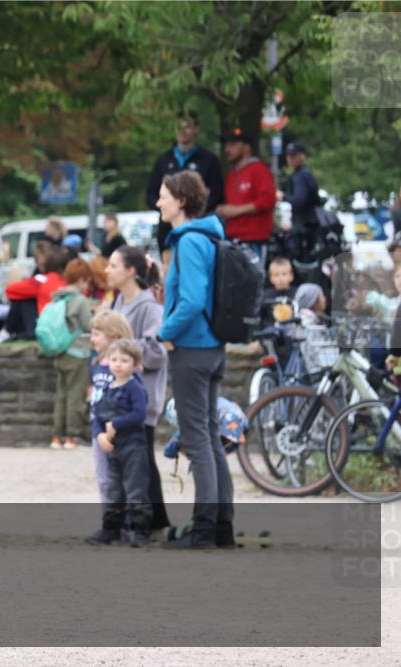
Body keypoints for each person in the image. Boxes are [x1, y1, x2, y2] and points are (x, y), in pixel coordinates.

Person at [156, 170, 234, 550]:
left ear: (181, 200)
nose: (158, 203)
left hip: (191, 349)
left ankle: (203, 531)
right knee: (211, 437)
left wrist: (164, 333)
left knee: (197, 439)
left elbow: (190, 301)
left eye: (163, 196)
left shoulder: (188, 241)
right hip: (214, 347)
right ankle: (222, 528)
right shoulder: (210, 235)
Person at [105, 246, 170, 533]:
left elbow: (158, 350)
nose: (107, 270)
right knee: (132, 463)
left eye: (113, 265)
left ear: (130, 271)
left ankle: (150, 522)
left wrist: (124, 351)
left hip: (140, 398)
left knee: (141, 464)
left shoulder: (148, 307)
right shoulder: (118, 304)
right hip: (120, 396)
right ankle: (151, 521)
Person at [85, 339, 153, 548]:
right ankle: (111, 529)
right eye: (114, 359)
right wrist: (100, 436)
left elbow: (139, 413)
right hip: (112, 447)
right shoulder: (106, 387)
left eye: (124, 360)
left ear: (135, 364)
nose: (118, 364)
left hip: (133, 446)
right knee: (114, 489)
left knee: (135, 489)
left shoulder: (134, 387)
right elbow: (97, 416)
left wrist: (116, 423)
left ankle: (140, 531)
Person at [146, 112, 224, 265]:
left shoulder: (209, 160)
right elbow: (151, 195)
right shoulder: (163, 160)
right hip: (168, 230)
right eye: (178, 127)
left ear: (196, 129)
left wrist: (190, 211)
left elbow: (217, 194)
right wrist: (170, 210)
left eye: (187, 126)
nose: (182, 131)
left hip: (197, 225)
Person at [88, 310, 134, 502]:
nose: (92, 339)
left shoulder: (122, 368)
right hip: (98, 432)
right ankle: (110, 525)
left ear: (114, 337)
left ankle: (123, 526)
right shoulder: (96, 364)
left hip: (118, 432)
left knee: (121, 481)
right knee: (104, 480)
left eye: (97, 334)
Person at [216, 128, 277, 264]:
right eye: (226, 145)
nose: (227, 149)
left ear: (246, 147)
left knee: (254, 280)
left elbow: (268, 200)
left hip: (254, 240)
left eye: (232, 144)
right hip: (232, 240)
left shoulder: (259, 170)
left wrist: (236, 210)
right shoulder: (231, 175)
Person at [50, 259, 93, 450]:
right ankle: (72, 437)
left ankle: (57, 437)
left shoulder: (57, 297)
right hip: (77, 352)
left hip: (59, 350)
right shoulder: (80, 300)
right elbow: (89, 326)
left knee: (61, 396)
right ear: (82, 279)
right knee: (76, 395)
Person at [279, 142, 322, 263]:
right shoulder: (304, 174)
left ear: (302, 156)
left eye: (293, 155)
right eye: (289, 155)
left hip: (303, 228)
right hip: (308, 227)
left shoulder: (300, 175)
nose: (290, 159)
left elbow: (298, 200)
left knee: (300, 262)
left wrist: (283, 196)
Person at [5, 247, 68, 314]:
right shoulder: (71, 281)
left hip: (47, 322)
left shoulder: (41, 280)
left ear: (47, 264)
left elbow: (10, 290)